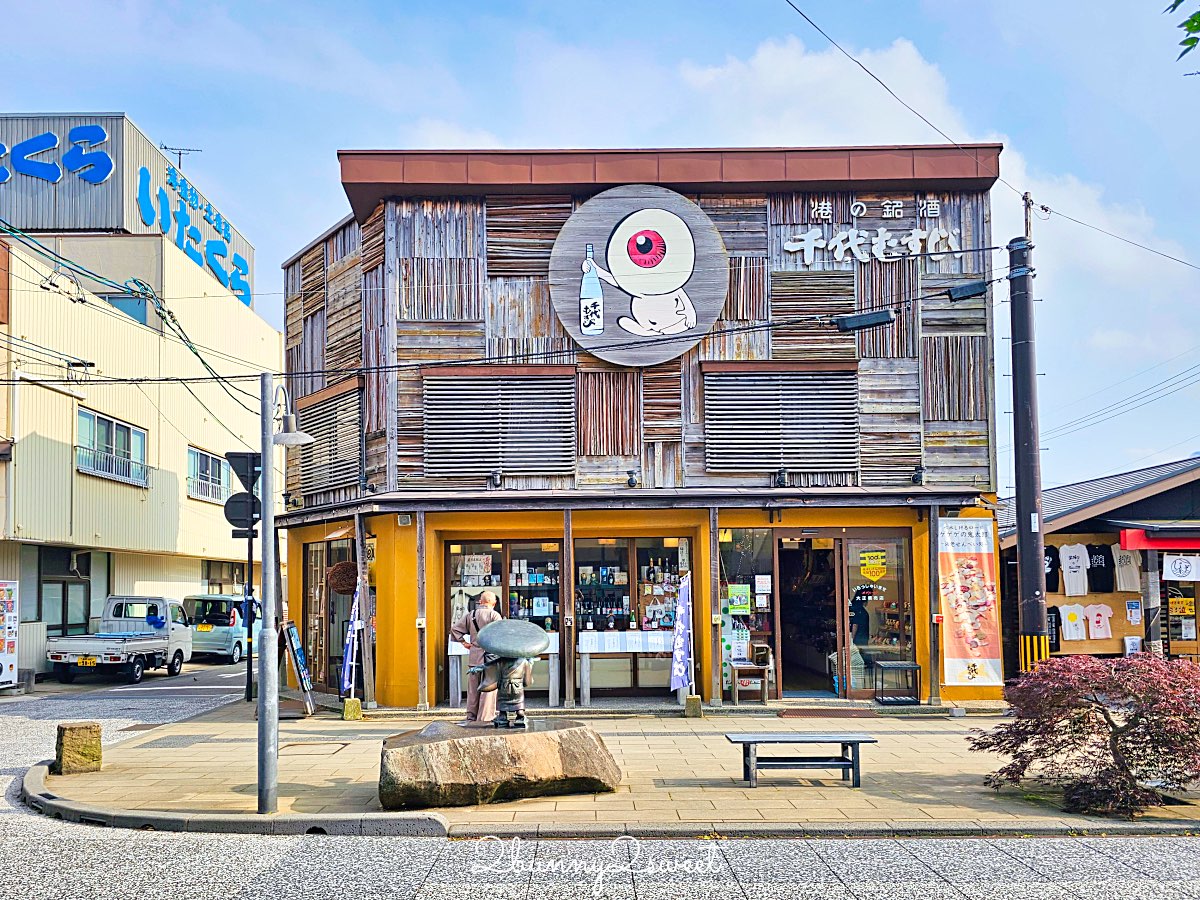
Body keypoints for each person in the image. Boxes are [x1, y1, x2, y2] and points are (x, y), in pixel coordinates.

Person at [449, 590, 502, 726]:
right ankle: (485, 718)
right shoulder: (494, 615)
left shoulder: (471, 615)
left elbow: (455, 629)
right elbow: (501, 635)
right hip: (490, 657)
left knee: (473, 689)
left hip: (474, 656)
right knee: (488, 689)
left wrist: (464, 643)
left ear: (480, 601)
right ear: (493, 603)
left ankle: (471, 716)